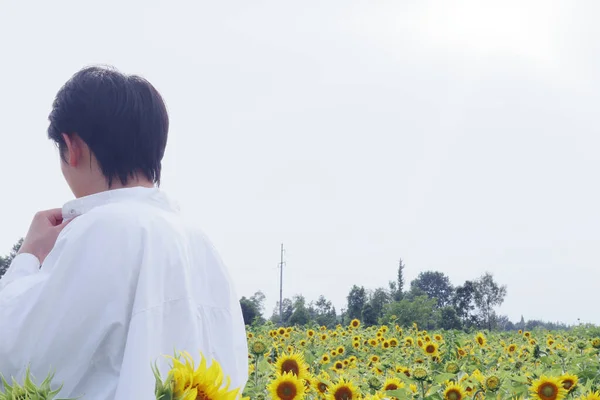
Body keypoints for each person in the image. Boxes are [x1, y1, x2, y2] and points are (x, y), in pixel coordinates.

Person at [0, 66, 248, 399]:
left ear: (70, 146)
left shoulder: (101, 230)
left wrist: (28, 257)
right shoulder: (200, 243)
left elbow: (17, 356)